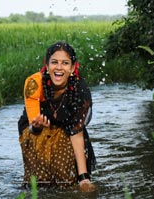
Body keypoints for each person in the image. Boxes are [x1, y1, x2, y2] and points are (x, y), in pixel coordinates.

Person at [18, 41, 96, 191]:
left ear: (72, 68)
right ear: (47, 66)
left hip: (66, 130)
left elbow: (76, 134)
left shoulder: (80, 92)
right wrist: (37, 126)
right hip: (33, 130)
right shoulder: (34, 83)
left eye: (65, 63)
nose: (59, 68)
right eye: (54, 62)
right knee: (39, 184)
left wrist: (84, 179)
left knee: (66, 182)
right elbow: (33, 127)